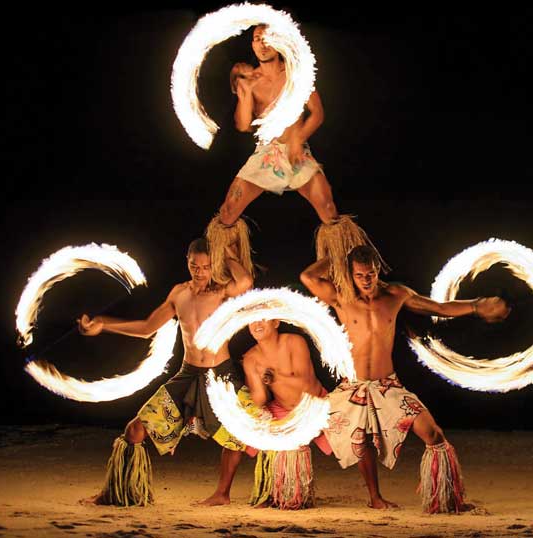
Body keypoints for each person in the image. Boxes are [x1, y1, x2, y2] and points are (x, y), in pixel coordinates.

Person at [300, 245, 510, 513]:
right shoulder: (340, 296)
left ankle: (446, 499)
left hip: (389, 385)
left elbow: (438, 307)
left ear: (378, 270)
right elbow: (308, 277)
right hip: (352, 386)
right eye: (360, 275)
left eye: (371, 273)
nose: (366, 280)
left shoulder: (396, 294)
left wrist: (476, 306)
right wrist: (339, 254)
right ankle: (374, 497)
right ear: (350, 274)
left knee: (434, 434)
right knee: (354, 439)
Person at [207, 24, 385, 300]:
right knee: (228, 211)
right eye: (256, 39)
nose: (262, 44)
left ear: (279, 41)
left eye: (267, 38)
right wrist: (243, 96)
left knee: (329, 210)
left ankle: (349, 279)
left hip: (298, 152)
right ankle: (224, 278)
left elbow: (317, 113)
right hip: (268, 154)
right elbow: (243, 125)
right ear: (252, 46)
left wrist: (297, 139)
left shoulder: (296, 76)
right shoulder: (250, 81)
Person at [78, 238, 253, 507]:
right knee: (134, 431)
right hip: (188, 373)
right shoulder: (179, 294)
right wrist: (104, 325)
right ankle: (117, 493)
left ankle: (222, 494)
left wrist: (227, 250)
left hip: (222, 374)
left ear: (213, 265)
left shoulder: (222, 292)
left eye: (206, 266)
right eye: (195, 266)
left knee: (238, 435)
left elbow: (246, 282)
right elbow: (147, 327)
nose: (200, 272)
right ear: (187, 261)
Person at [240, 319, 333, 509]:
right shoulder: (250, 358)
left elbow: (307, 387)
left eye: (262, 319)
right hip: (281, 408)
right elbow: (260, 397)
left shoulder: (294, 342)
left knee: (356, 436)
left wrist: (273, 375)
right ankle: (269, 493)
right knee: (260, 427)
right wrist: (241, 403)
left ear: (275, 322)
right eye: (251, 321)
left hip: (315, 404)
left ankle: (375, 496)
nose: (256, 324)